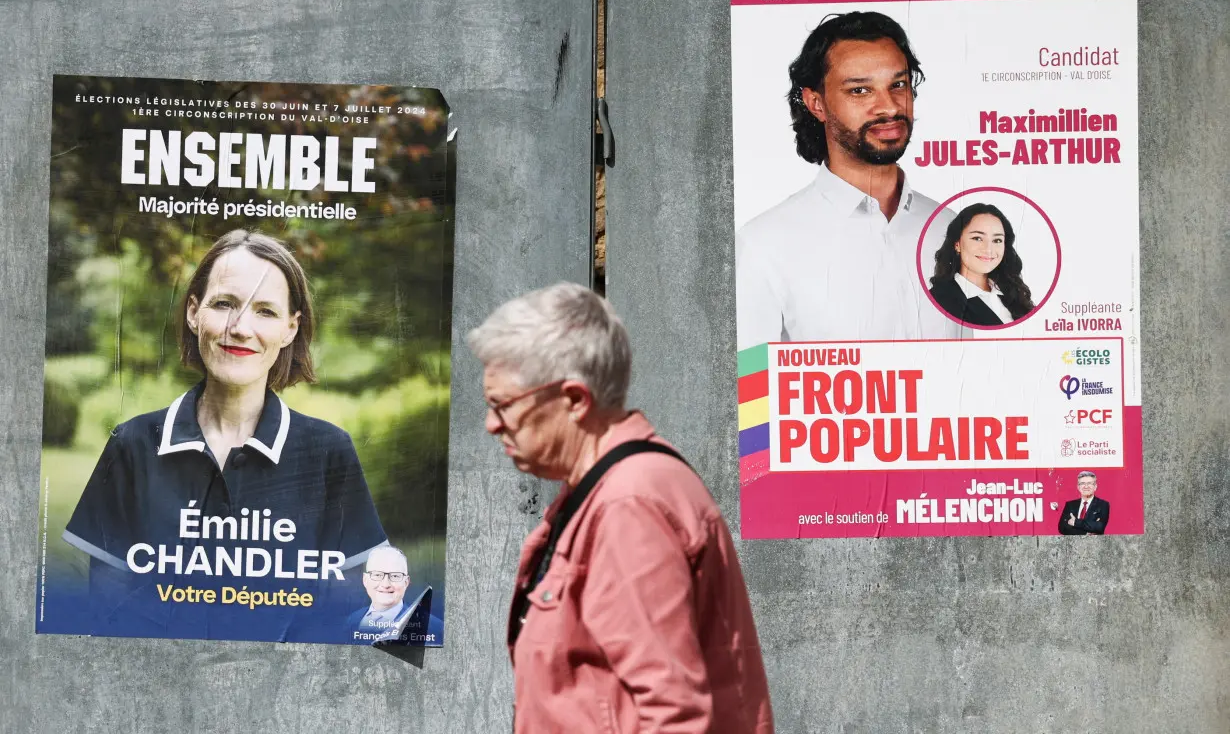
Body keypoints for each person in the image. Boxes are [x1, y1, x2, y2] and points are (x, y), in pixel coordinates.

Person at [468, 282, 774, 733]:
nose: (492, 425)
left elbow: (675, 716)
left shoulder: (629, 505)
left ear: (574, 400)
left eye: (502, 405)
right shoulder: (602, 490)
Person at [64, 230, 388, 587]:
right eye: (223, 304)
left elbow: (355, 611)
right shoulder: (131, 445)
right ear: (193, 312)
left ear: (290, 329)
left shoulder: (329, 452)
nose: (241, 328)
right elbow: (105, 611)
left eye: (265, 311)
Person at [736, 10, 957, 349]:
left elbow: (977, 377)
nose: (888, 107)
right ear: (816, 103)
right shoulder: (764, 245)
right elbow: (753, 397)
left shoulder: (950, 227)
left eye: (898, 85)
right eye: (860, 91)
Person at [928, 203, 1035, 327]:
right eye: (977, 238)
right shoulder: (939, 300)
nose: (988, 249)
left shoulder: (1013, 293)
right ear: (957, 244)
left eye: (997, 240)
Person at [348, 546, 415, 638]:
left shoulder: (430, 626)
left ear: (406, 582)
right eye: (377, 575)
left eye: (395, 576)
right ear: (365, 580)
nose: (385, 584)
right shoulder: (352, 619)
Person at [1058, 471, 1110, 535]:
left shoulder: (1103, 504)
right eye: (1082, 483)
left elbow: (1099, 527)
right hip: (1072, 544)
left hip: (1094, 544)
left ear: (1095, 487)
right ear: (1078, 487)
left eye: (1089, 483)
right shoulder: (1070, 505)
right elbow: (1063, 528)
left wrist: (1076, 523)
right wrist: (1086, 532)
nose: (1086, 486)